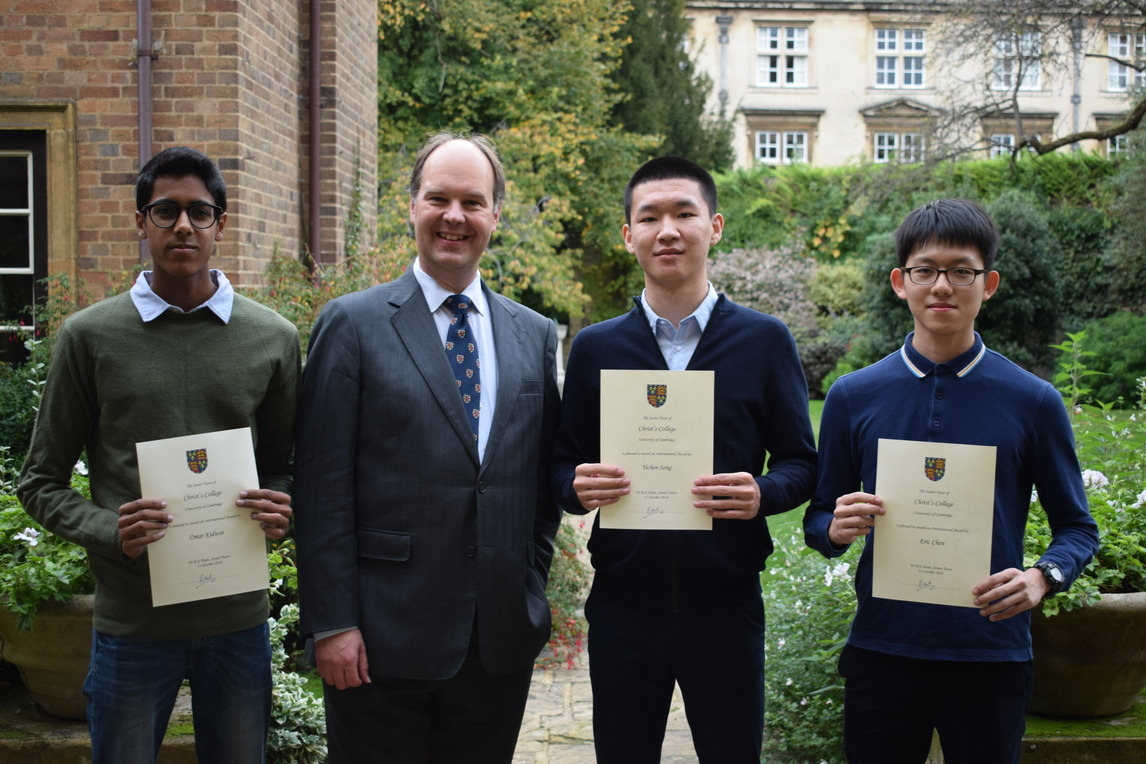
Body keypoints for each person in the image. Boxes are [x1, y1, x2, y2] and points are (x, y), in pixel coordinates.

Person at [17, 146, 300, 763]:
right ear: (140, 220)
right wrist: (109, 529)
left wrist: (285, 508)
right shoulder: (90, 337)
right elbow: (39, 481)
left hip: (237, 620)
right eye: (165, 210)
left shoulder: (272, 338)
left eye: (200, 212)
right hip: (134, 624)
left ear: (221, 224)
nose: (182, 226)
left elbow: (284, 465)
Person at [292, 131, 561, 763]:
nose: (454, 217)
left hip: (495, 643)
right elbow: (321, 485)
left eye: (473, 201)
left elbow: (538, 481)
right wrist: (332, 624)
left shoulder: (533, 334)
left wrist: (529, 584)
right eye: (438, 198)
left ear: (496, 214)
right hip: (379, 643)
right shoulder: (352, 324)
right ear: (411, 206)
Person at [803, 198, 1099, 764]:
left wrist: (1042, 578)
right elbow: (817, 523)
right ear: (900, 281)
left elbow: (1077, 529)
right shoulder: (852, 396)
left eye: (961, 271)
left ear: (988, 283)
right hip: (883, 649)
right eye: (925, 270)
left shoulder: (1032, 400)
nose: (942, 286)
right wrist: (836, 529)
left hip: (990, 653)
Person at [552, 156, 817, 763]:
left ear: (715, 226)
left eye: (683, 214)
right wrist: (576, 485)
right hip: (623, 605)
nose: (666, 230)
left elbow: (803, 462)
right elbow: (559, 466)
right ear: (629, 236)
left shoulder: (764, 340)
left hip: (725, 604)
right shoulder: (597, 348)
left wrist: (762, 494)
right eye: (649, 217)